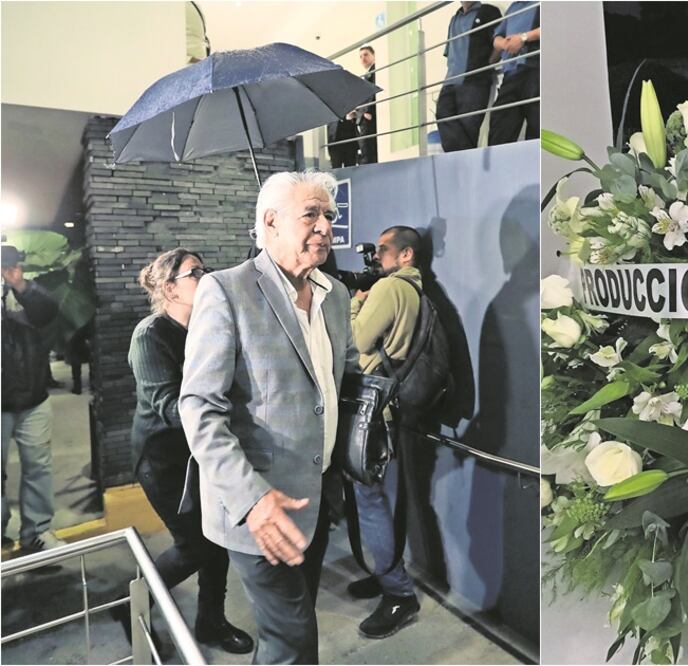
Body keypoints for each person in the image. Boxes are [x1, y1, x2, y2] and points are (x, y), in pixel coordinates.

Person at [179, 171, 361, 664]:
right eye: (311, 214)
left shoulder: (336, 295)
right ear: (270, 222)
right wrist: (252, 500)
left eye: (329, 215)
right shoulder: (225, 291)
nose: (325, 226)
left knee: (292, 629)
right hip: (260, 506)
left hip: (318, 496)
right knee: (294, 640)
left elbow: (344, 375)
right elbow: (198, 406)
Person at [126, 249, 253, 654]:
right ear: (169, 289)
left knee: (218, 539)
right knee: (193, 546)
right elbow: (167, 403)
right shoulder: (151, 335)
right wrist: (225, 415)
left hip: (202, 454)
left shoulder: (205, 327)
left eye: (205, 269)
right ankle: (133, 603)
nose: (206, 276)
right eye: (195, 272)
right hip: (164, 460)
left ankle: (210, 622)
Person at [345, 226, 423, 638]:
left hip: (374, 412)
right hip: (387, 410)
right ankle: (386, 574)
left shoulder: (391, 290)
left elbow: (357, 339)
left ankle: (398, 593)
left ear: (406, 254)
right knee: (371, 500)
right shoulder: (409, 289)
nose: (377, 257)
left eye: (384, 250)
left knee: (369, 501)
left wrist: (356, 303)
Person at [1, 244, 63, 553]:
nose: (7, 271)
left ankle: (37, 532)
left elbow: (48, 310)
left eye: (12, 266)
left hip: (32, 396)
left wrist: (20, 286)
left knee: (38, 467)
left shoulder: (27, 294)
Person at [435, 2, 503, 152]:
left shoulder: (488, 11)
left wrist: (486, 64)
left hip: (474, 81)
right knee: (442, 115)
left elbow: (499, 43)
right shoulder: (454, 18)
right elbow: (450, 51)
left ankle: (464, 167)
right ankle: (468, 162)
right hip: (450, 80)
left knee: (468, 129)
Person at [488, 1, 540, 145]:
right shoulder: (513, 7)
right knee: (500, 127)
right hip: (511, 73)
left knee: (537, 127)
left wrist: (523, 38)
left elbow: (555, 24)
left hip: (535, 68)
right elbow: (497, 37)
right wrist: (504, 43)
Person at [357, 45, 379, 165]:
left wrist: (368, 111)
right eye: (360, 56)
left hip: (369, 117)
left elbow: (374, 91)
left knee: (369, 151)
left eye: (366, 55)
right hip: (364, 117)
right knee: (366, 151)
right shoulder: (368, 73)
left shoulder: (375, 71)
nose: (363, 58)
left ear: (373, 55)